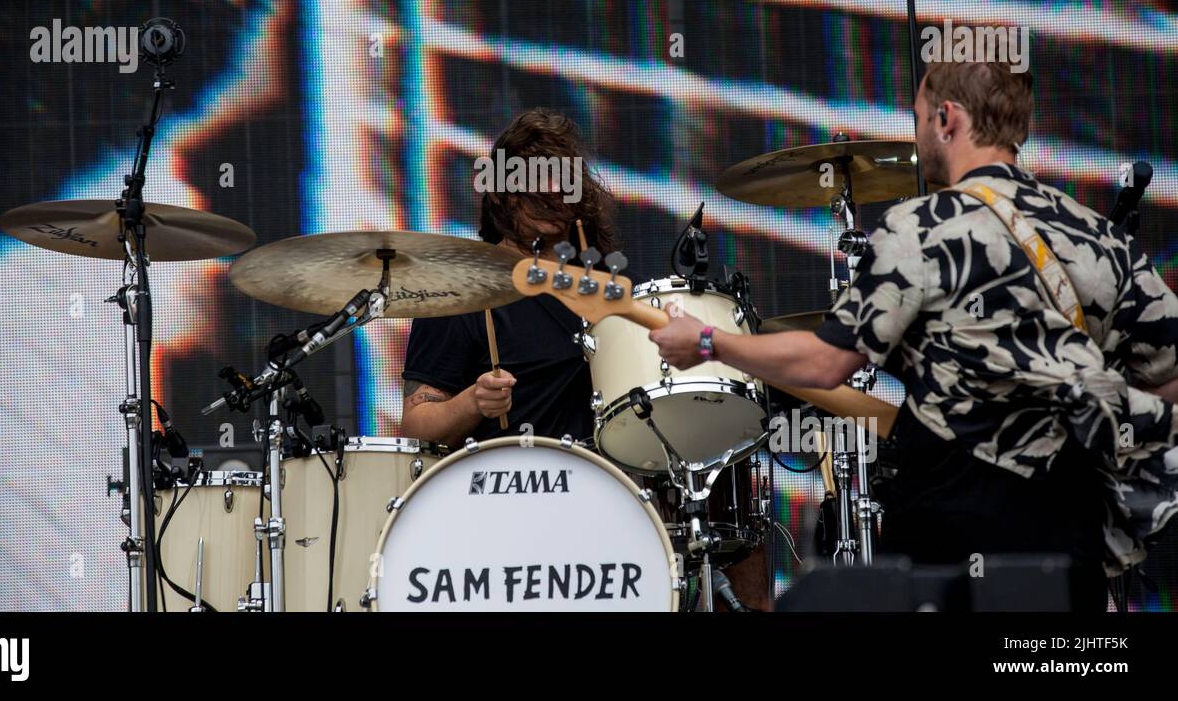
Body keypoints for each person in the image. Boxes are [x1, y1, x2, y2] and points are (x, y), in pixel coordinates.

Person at [651, 60, 1178, 610]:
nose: (919, 131)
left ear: (947, 119)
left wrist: (709, 342)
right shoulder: (1094, 235)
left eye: (920, 117)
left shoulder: (923, 226)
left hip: (952, 527)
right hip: (1068, 526)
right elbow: (1168, 377)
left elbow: (826, 364)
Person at [398, 109, 618, 445]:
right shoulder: (459, 290)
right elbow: (416, 426)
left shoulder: (612, 283)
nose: (551, 192)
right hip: (503, 487)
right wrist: (473, 401)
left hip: (609, 482)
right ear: (503, 193)